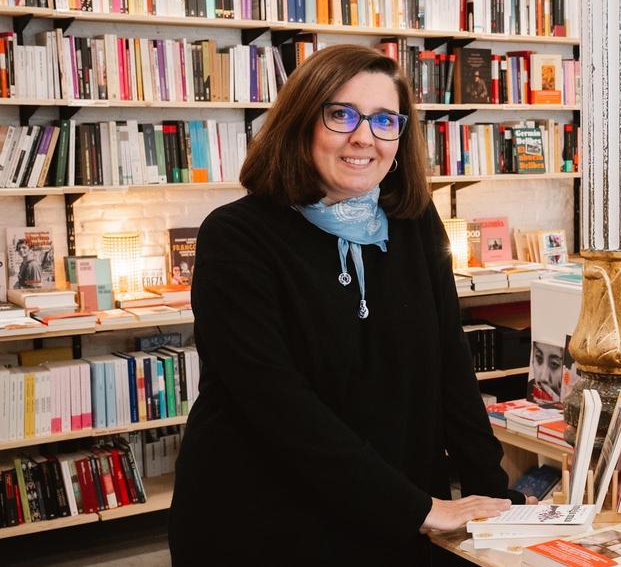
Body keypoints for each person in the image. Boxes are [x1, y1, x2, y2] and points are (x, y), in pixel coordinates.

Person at [169, 45, 523, 564]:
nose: (364, 137)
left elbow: (452, 371)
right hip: (267, 519)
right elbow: (278, 406)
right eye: (341, 114)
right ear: (301, 122)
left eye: (384, 119)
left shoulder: (416, 224)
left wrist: (498, 501)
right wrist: (419, 509)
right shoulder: (236, 236)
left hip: (398, 514)